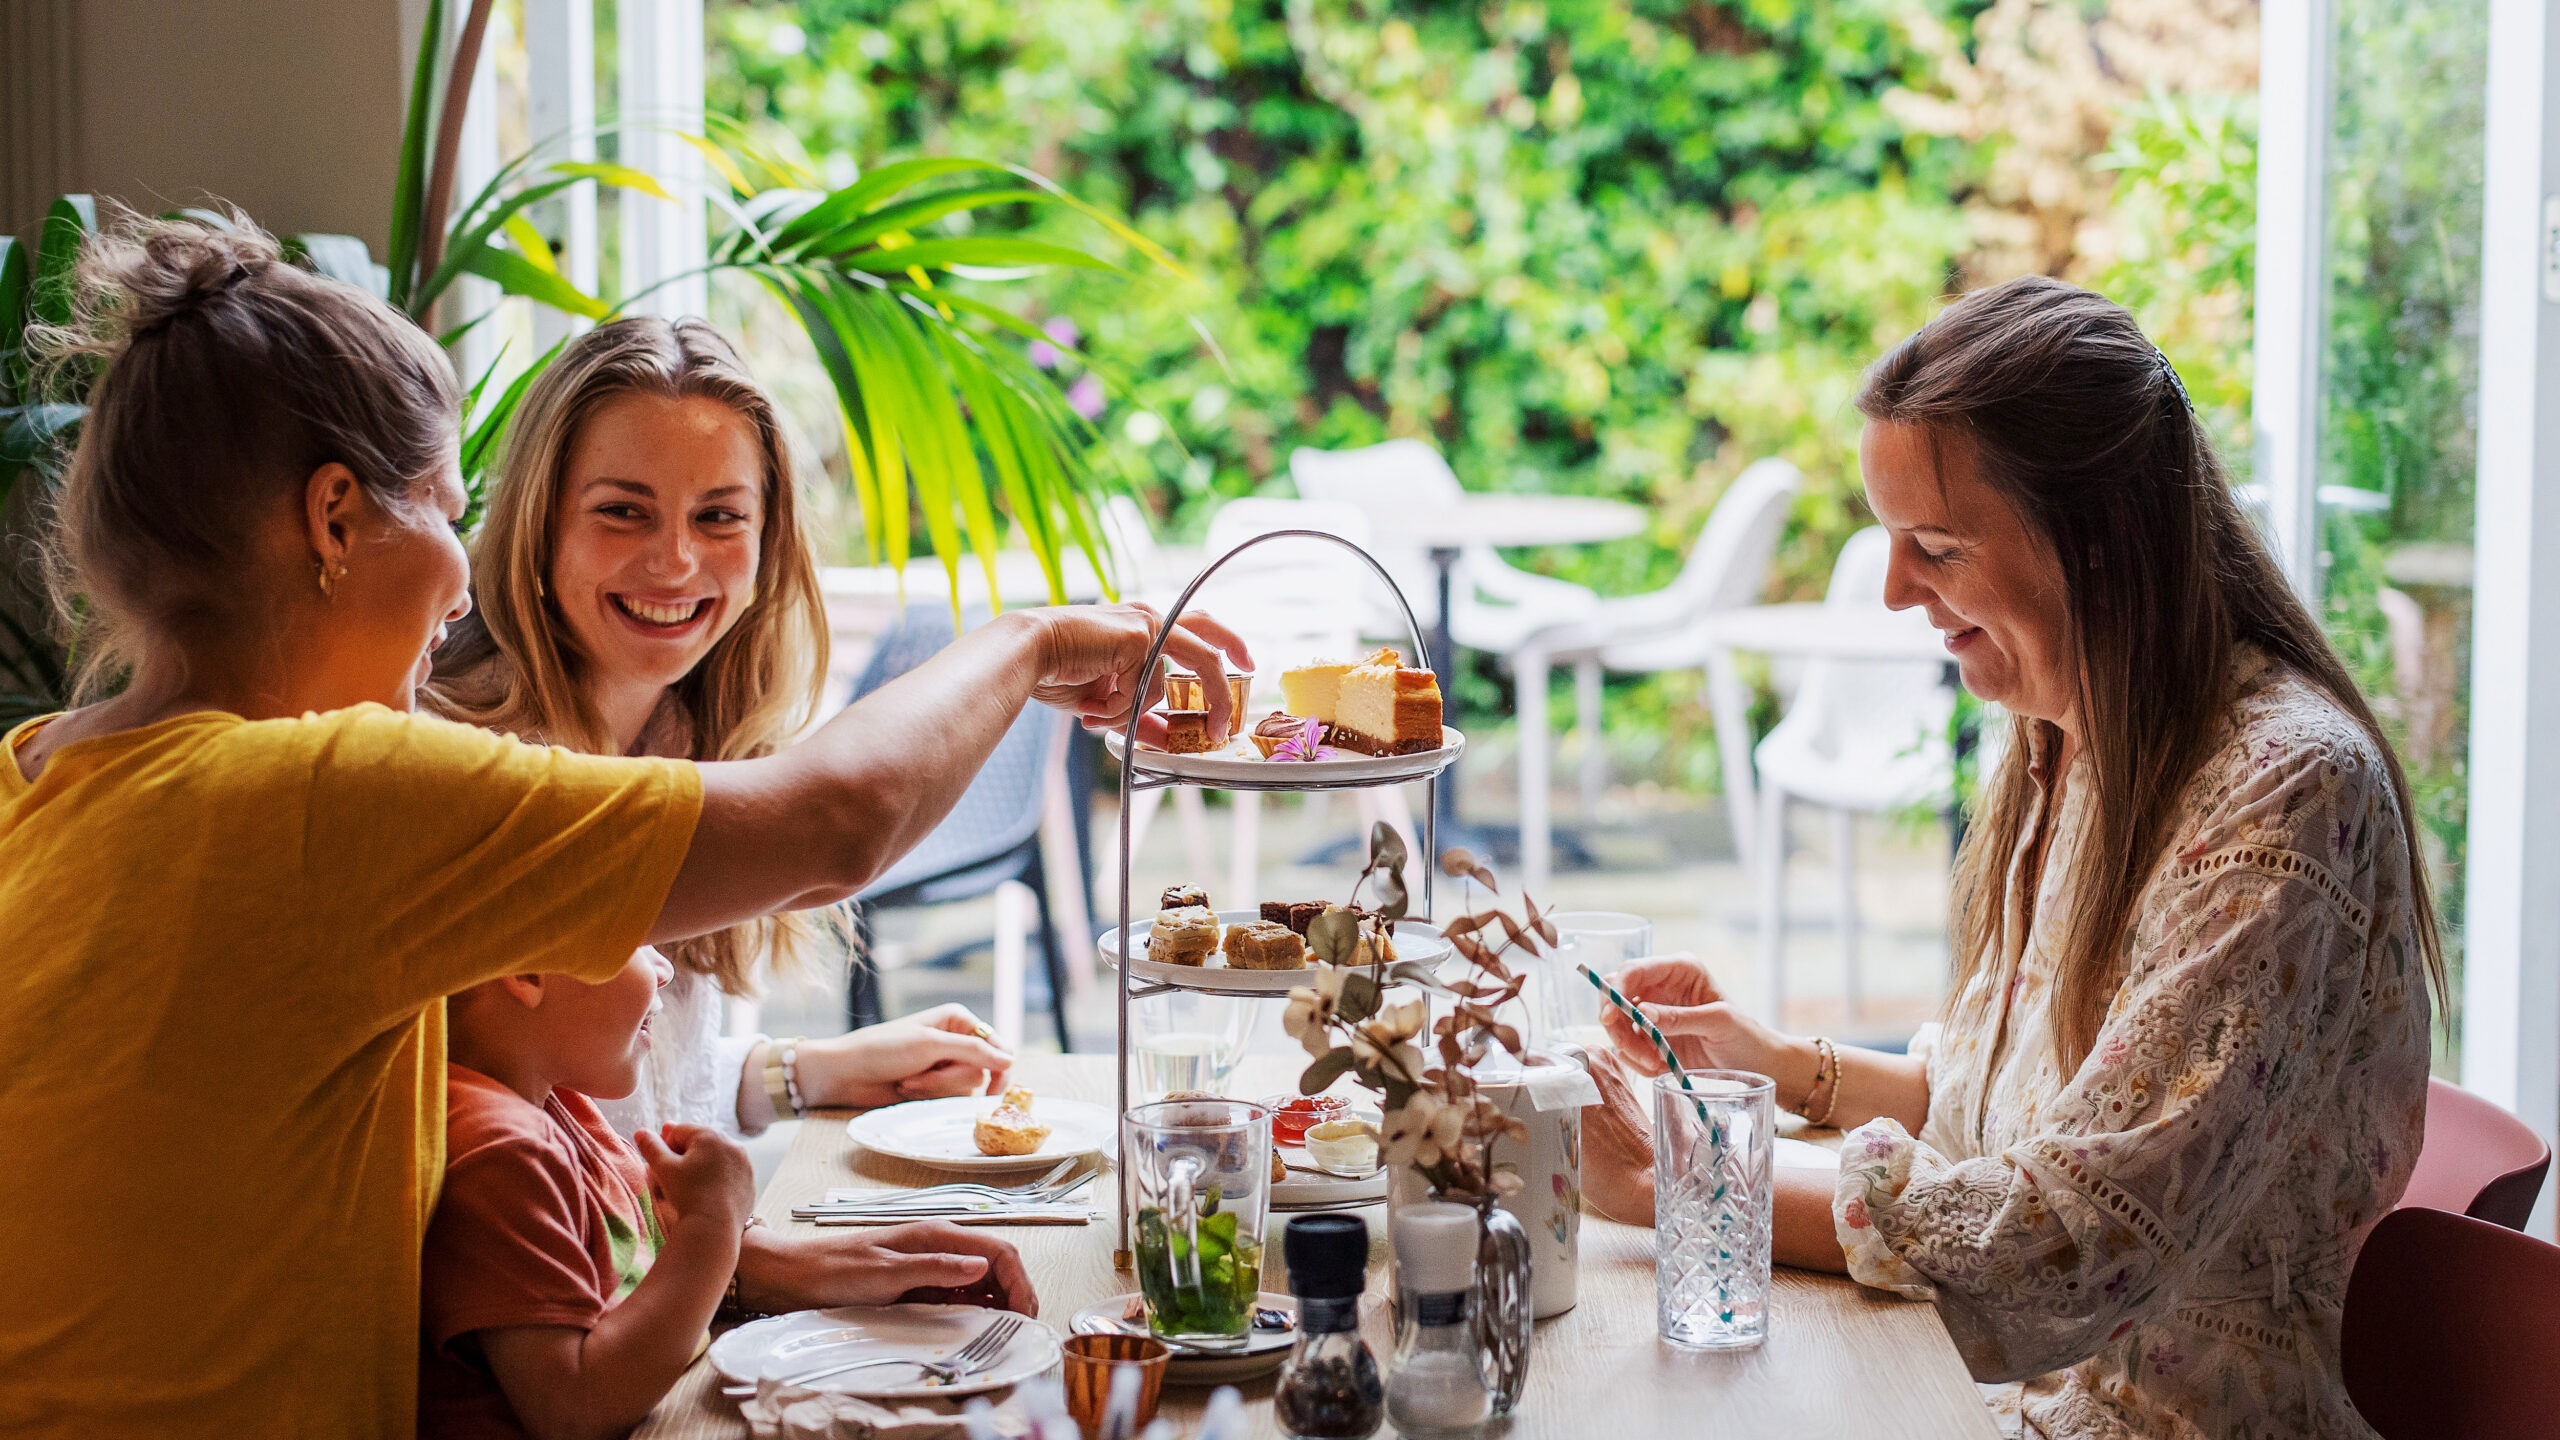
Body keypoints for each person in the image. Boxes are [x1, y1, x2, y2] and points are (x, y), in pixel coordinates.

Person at [0, 212, 1245, 1440]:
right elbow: (835, 824)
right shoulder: (322, 797)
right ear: (333, 521)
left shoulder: (36, 781)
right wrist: (1036, 639)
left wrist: (749, 1256)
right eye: (440, 508)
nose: (458, 579)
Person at [1579, 276, 2440, 1440]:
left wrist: (1675, 1190)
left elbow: (2070, 1238)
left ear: (2097, 539)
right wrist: (1777, 1062)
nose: (1893, 591)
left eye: (1934, 545)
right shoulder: (2069, 736)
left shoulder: (2283, 791)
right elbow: (2016, 1108)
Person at [426, 316, 1029, 1311]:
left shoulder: (680, 733)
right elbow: (509, 1171)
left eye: (718, 517)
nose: (673, 561)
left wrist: (797, 1072)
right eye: (623, 512)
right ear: (538, 523)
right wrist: (745, 1265)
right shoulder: (475, 772)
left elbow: (626, 1082)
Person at [422, 949, 752, 1440]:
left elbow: (638, 1275)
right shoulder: (503, 1148)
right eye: (638, 941)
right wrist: (711, 1225)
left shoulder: (556, 1105)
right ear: (526, 970)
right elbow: (574, 1411)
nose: (665, 969)